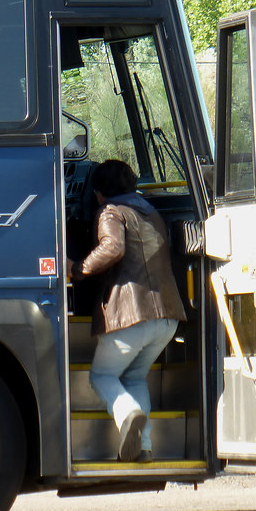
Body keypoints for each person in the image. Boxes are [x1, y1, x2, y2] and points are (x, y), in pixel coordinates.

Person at [66, 160, 186, 463]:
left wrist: (78, 269)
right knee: (134, 377)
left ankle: (127, 412)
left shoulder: (111, 212)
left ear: (98, 193)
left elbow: (113, 248)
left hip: (131, 316)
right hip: (167, 317)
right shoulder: (151, 212)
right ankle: (143, 448)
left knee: (102, 376)